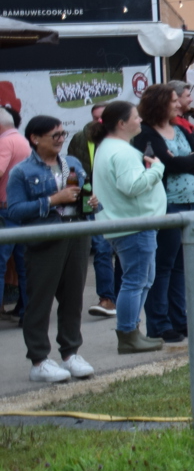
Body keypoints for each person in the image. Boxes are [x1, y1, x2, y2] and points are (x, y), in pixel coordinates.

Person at [6, 116, 93, 384]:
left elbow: (85, 198)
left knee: (73, 299)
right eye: (55, 135)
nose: (61, 139)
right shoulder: (22, 172)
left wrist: (92, 202)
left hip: (76, 234)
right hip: (45, 240)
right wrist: (52, 200)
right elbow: (14, 211)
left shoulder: (72, 163)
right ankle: (39, 360)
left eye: (63, 134)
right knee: (40, 302)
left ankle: (70, 354)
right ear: (35, 138)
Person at [133, 84, 194, 345]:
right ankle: (159, 324)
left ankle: (181, 319)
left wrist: (181, 160)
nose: (179, 104)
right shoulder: (145, 133)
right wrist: (185, 160)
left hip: (192, 203)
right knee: (163, 265)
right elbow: (165, 164)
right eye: (174, 100)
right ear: (160, 103)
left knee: (182, 266)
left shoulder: (180, 129)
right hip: (167, 205)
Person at [89, 102, 165, 354]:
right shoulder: (122, 152)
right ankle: (127, 334)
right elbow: (131, 187)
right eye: (135, 117)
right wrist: (157, 169)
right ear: (122, 124)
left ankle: (132, 331)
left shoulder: (107, 147)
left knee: (142, 280)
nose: (140, 120)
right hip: (134, 224)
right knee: (135, 281)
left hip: (128, 223)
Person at [67, 103, 117, 319]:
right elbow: (72, 170)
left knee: (124, 249)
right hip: (94, 202)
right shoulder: (81, 138)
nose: (99, 121)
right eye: (96, 117)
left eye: (103, 117)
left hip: (120, 200)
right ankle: (107, 298)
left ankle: (124, 294)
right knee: (102, 249)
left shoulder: (123, 136)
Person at [0, 105, 32, 320]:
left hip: (5, 210)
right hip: (21, 209)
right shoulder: (22, 141)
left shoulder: (4, 142)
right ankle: (27, 313)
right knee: (23, 264)